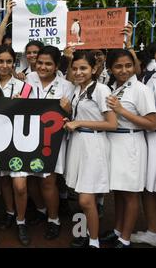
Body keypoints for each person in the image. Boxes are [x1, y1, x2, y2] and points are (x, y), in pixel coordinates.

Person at [100, 49, 156, 248]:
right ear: (111, 69)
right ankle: (117, 230)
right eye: (118, 66)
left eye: (128, 65)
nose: (124, 70)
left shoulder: (141, 89)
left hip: (131, 144)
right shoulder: (112, 87)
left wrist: (121, 111)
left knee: (131, 194)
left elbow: (152, 123)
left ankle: (124, 239)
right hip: (114, 143)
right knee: (118, 191)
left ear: (134, 66)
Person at [64, 51, 117, 248]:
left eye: (83, 68)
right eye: (75, 68)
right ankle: (83, 234)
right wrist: (70, 117)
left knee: (86, 199)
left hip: (93, 145)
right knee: (80, 195)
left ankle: (94, 242)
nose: (78, 72)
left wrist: (78, 122)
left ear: (94, 69)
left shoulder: (102, 90)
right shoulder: (77, 90)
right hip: (78, 144)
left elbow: (112, 124)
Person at [25, 45, 74, 243]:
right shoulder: (28, 81)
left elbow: (72, 117)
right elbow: (21, 103)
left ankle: (54, 220)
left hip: (51, 142)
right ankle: (41, 210)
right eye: (40, 63)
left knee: (48, 180)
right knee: (31, 178)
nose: (43, 67)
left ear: (56, 66)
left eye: (48, 64)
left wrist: (68, 109)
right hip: (28, 138)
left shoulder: (66, 86)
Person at [0, 44, 32, 231]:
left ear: (14, 63)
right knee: (4, 179)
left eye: (8, 61)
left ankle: (21, 221)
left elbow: (33, 115)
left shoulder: (25, 87)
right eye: (0, 61)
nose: (4, 65)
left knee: (19, 185)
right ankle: (10, 212)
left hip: (18, 141)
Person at [131, 57, 156, 247]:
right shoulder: (149, 78)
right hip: (147, 138)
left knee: (150, 186)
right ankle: (152, 231)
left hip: (150, 134)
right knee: (149, 187)